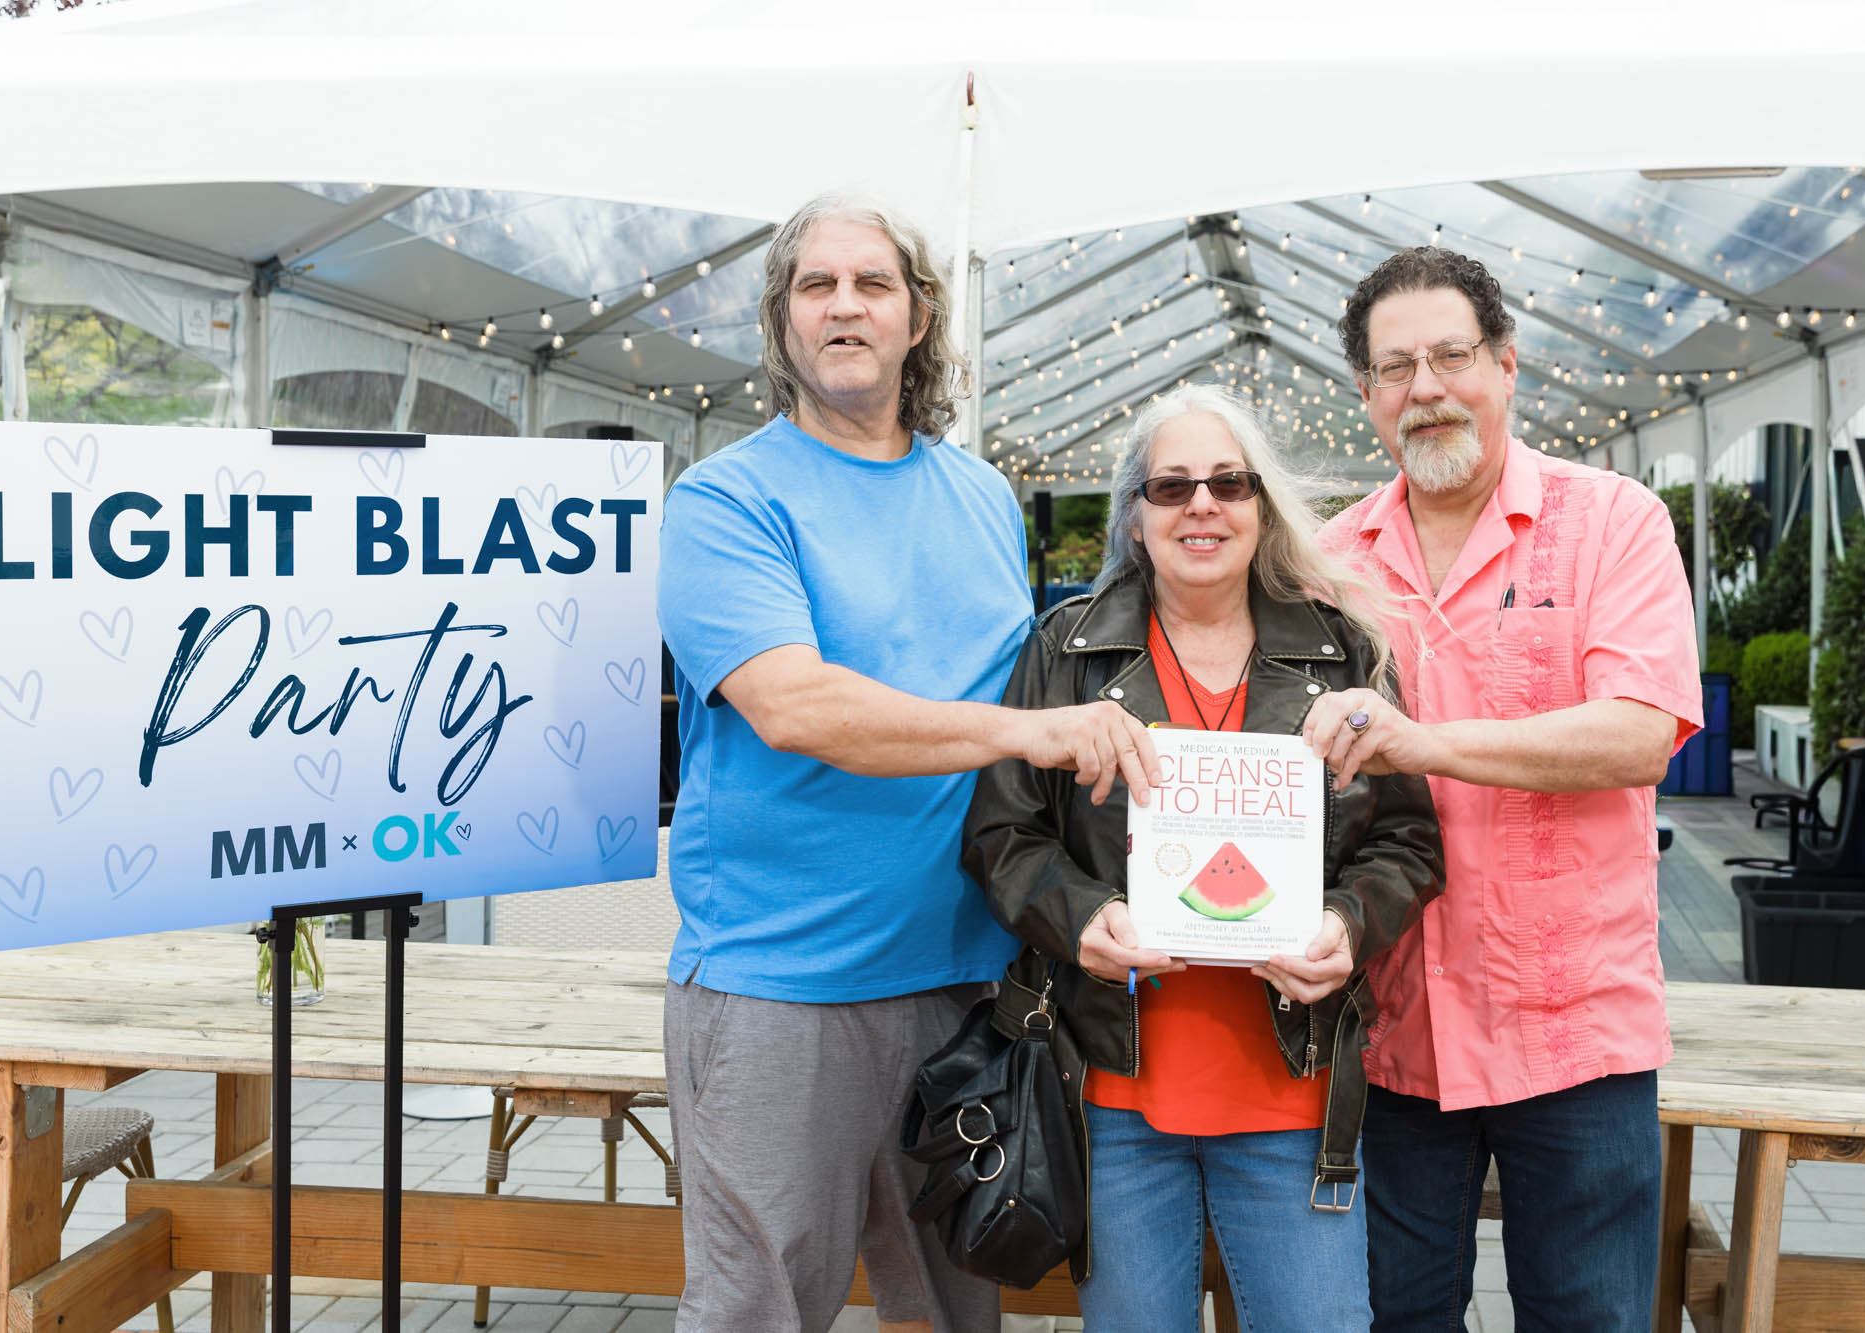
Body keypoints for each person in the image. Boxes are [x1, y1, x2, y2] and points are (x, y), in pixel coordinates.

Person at [654, 195, 1161, 1333]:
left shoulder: (979, 497)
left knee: (955, 1310)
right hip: (783, 985)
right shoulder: (724, 500)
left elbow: (1025, 693)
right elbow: (795, 707)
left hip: (969, 981)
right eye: (816, 286)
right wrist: (1026, 733)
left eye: (872, 284)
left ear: (917, 317)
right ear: (782, 320)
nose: (844, 306)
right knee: (758, 1309)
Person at [963, 384, 1445, 1332]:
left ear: (1261, 507)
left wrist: (1347, 923)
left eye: (1229, 483)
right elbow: (1001, 833)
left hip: (1293, 1100)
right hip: (1112, 1100)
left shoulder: (1342, 650)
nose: (1202, 505)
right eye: (1171, 486)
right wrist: (1080, 917)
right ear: (1134, 517)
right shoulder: (1066, 649)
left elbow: (1408, 838)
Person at [1309, 247, 1703, 1331]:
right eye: (1396, 367)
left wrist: (1422, 743)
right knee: (1396, 1319)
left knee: (1588, 1318)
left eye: (1451, 356)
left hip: (1572, 1030)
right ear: (1367, 393)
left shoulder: (1612, 521)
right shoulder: (1331, 560)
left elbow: (1638, 734)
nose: (1426, 388)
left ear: (1506, 363)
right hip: (1395, 1027)